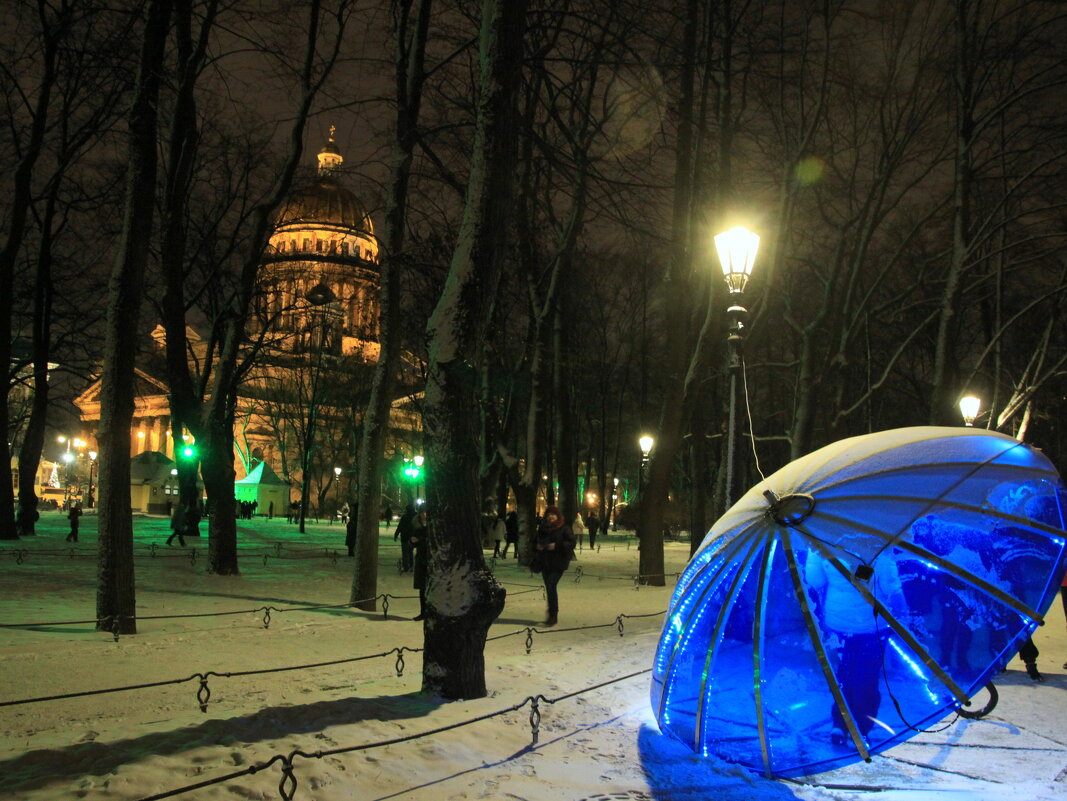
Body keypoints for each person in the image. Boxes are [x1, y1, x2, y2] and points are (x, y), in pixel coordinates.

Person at [534, 506, 575, 627]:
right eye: (549, 514)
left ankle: (553, 615)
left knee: (551, 585)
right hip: (545, 562)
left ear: (558, 516)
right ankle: (551, 614)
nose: (551, 517)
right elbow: (534, 541)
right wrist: (538, 546)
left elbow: (571, 542)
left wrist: (556, 546)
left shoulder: (564, 528)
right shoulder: (542, 528)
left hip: (559, 562)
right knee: (549, 587)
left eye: (553, 514)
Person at [410, 507, 430, 620]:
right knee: (422, 588)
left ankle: (429, 612)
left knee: (430, 588)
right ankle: (423, 612)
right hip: (421, 559)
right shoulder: (417, 527)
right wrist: (412, 542)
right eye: (422, 512)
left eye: (425, 512)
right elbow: (412, 542)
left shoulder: (431, 527)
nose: (424, 514)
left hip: (430, 559)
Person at [395, 504, 416, 572]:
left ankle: (406, 566)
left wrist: (396, 534)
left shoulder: (405, 517)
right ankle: (411, 566)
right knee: (410, 552)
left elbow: (400, 526)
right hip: (412, 537)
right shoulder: (415, 517)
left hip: (404, 537)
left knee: (405, 553)